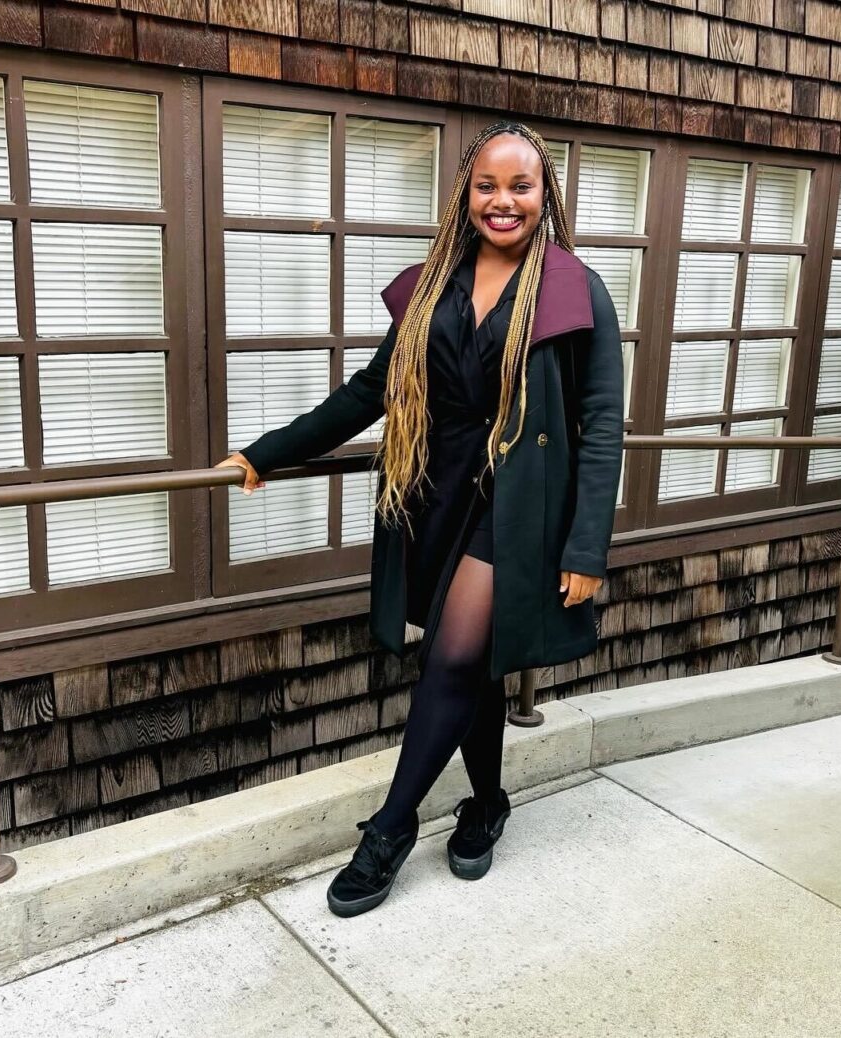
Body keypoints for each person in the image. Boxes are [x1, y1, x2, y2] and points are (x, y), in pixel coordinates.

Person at [216, 120, 623, 917]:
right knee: (471, 669)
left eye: (521, 185)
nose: (503, 200)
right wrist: (267, 452)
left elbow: (602, 420)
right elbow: (370, 391)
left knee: (451, 657)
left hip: (515, 507)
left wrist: (587, 545)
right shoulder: (431, 282)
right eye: (487, 185)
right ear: (465, 195)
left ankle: (390, 832)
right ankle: (487, 804)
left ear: (546, 196)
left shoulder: (575, 288)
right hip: (431, 497)